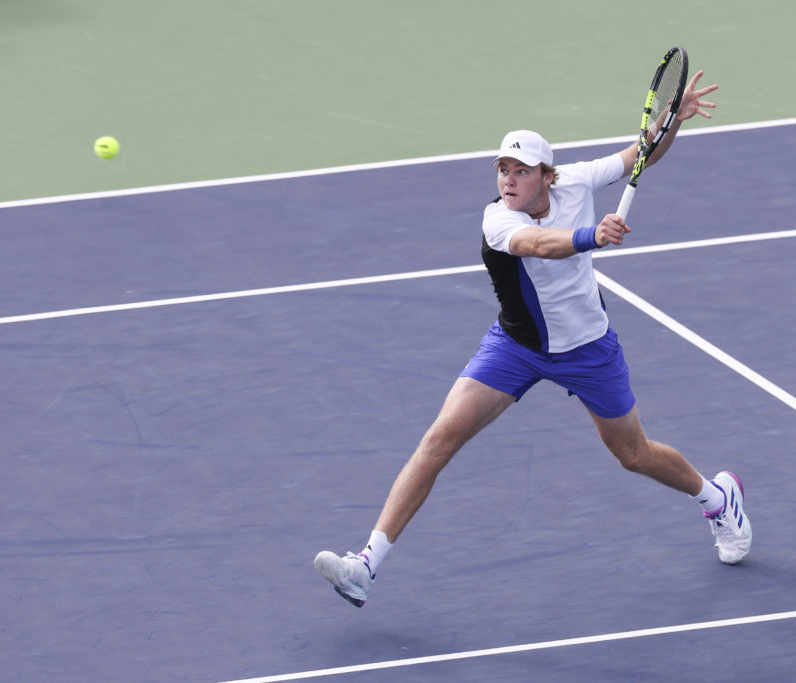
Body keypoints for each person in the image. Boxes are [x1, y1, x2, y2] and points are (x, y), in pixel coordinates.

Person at [314, 70, 750, 608]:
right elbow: (539, 245)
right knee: (439, 438)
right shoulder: (498, 220)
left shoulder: (578, 180)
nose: (508, 179)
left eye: (520, 170)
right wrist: (593, 235)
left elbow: (640, 152)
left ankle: (717, 498)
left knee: (633, 455)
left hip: (588, 349)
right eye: (502, 169)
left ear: (548, 175)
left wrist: (671, 121)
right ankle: (365, 566)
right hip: (515, 348)